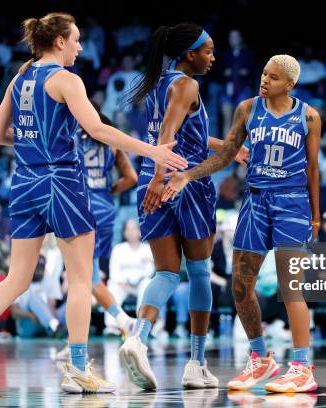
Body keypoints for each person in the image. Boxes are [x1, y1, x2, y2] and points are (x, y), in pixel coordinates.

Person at [0, 12, 187, 393]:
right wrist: (152, 151)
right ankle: (77, 370)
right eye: (76, 39)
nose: (80, 46)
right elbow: (97, 129)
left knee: (16, 278)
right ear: (59, 41)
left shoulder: (19, 78)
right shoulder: (66, 79)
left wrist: (29, 145)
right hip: (61, 181)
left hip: (23, 181)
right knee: (80, 280)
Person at [163, 54, 322, 393]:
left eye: (274, 77)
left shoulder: (309, 116)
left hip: (292, 204)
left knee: (290, 287)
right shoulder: (248, 108)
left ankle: (302, 366)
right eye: (264, 73)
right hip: (254, 200)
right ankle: (261, 358)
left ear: (290, 84)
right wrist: (187, 175)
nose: (264, 80)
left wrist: (317, 216)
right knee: (239, 286)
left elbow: (313, 169)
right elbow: (224, 155)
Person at [118, 23, 222, 391]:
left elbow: (180, 130)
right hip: (184, 183)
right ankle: (196, 364)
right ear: (189, 54)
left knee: (165, 273)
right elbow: (167, 138)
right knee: (198, 273)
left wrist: (228, 146)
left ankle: (136, 338)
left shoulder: (160, 84)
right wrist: (164, 179)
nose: (212, 57)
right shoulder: (188, 84)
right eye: (208, 50)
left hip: (151, 179)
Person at [53, 112, 139, 360]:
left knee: (80, 280)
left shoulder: (73, 137)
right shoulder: (111, 142)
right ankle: (122, 322)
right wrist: (109, 191)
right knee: (90, 279)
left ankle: (78, 345)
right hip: (105, 208)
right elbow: (131, 178)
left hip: (83, 207)